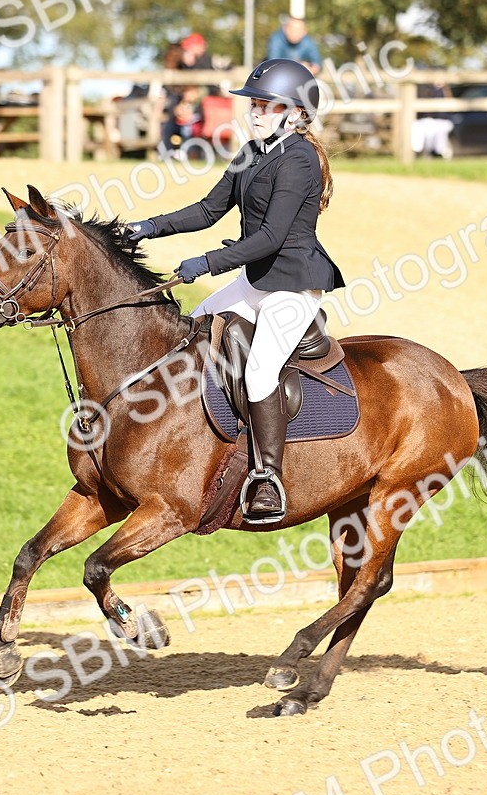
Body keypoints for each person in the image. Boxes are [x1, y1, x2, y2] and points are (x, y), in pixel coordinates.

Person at [123, 59, 345, 524]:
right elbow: (208, 210)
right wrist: (146, 227)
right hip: (256, 279)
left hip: (294, 286)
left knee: (261, 373)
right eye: (255, 103)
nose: (255, 111)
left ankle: (268, 477)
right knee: (194, 331)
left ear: (295, 113)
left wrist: (205, 263)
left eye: (266, 104)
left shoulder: (300, 160)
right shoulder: (252, 152)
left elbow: (270, 238)